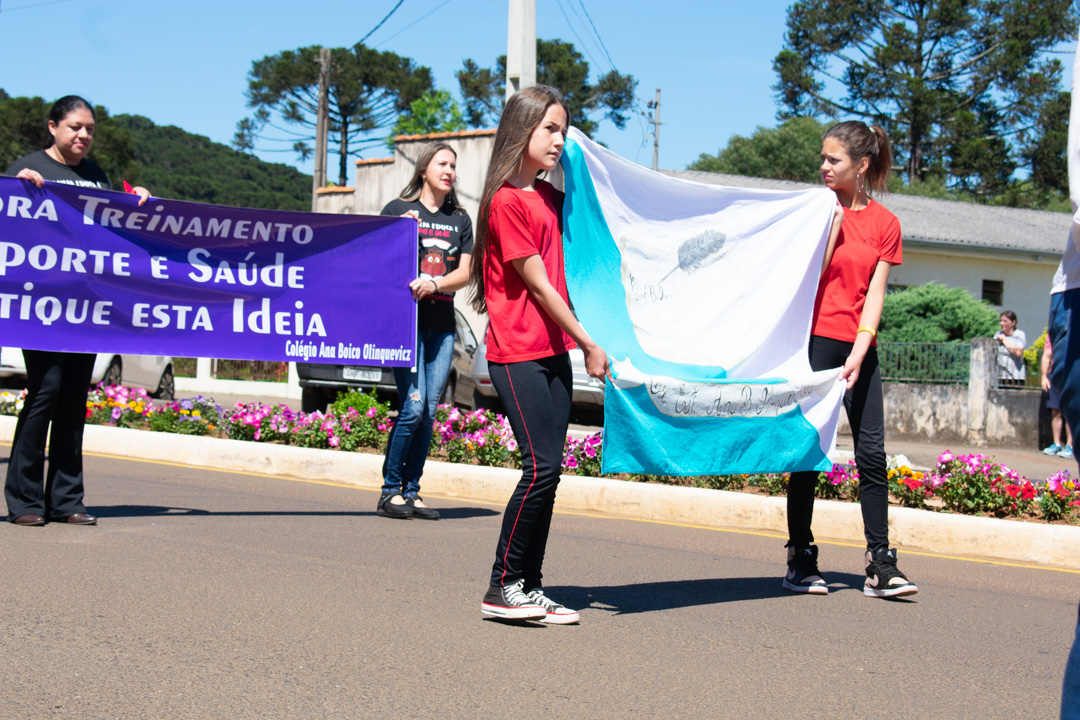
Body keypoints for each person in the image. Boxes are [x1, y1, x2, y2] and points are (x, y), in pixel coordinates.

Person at [469, 85, 609, 624]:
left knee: (550, 473)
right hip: (516, 353)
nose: (559, 139)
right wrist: (591, 342)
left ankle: (530, 584)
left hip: (550, 351)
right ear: (521, 129)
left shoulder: (550, 199)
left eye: (564, 130)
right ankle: (501, 586)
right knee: (540, 469)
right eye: (549, 128)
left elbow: (594, 205)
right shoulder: (505, 201)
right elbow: (542, 287)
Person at [783, 120, 918, 598]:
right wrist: (830, 231)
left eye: (833, 160)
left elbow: (874, 295)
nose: (823, 166)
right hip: (814, 344)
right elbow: (802, 283)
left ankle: (880, 562)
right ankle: (800, 556)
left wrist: (861, 351)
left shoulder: (886, 224)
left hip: (860, 347)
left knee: (872, 455)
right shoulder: (815, 211)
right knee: (808, 454)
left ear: (860, 165)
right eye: (822, 158)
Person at [4, 95, 149, 527]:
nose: (83, 135)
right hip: (41, 309)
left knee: (73, 400)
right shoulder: (28, 169)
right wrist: (13, 185)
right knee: (45, 391)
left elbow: (112, 229)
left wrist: (138, 201)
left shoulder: (98, 178)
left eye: (89, 129)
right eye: (75, 127)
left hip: (85, 311)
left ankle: (67, 500)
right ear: (53, 127)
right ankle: (25, 502)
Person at [375, 142, 473, 521]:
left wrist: (436, 284)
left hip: (442, 327)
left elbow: (464, 273)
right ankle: (389, 492)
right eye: (441, 163)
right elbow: (378, 261)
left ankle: (412, 493)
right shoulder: (399, 212)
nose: (448, 170)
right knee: (413, 407)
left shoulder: (460, 219)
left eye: (453, 165)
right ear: (423, 169)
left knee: (429, 411)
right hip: (406, 325)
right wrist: (402, 234)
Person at [1041, 333, 1073, 459]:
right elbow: (1047, 355)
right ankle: (1056, 443)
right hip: (1054, 375)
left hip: (1071, 375)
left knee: (1070, 411)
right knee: (1055, 411)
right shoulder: (1052, 334)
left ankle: (1070, 445)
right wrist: (1044, 377)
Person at [995, 310, 1027, 385]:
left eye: (1005, 321)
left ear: (1013, 322)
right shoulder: (998, 334)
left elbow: (1018, 353)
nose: (1001, 323)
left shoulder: (1019, 334)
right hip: (1000, 376)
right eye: (1001, 321)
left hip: (1015, 376)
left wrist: (1005, 342)